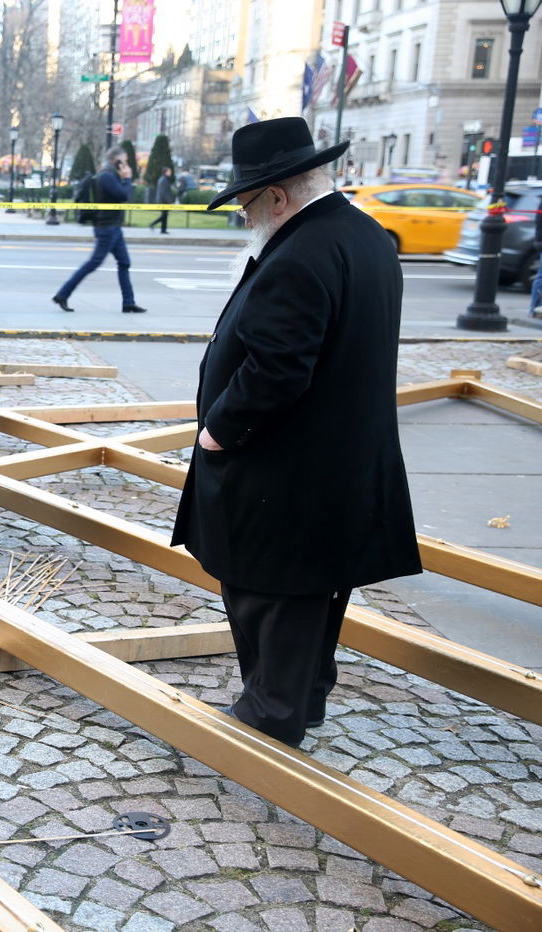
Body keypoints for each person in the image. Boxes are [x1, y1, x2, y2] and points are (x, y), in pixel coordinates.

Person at [170, 117, 421, 748]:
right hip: (338, 463)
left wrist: (218, 431)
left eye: (247, 204)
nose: (245, 217)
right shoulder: (362, 233)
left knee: (270, 596)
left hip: (285, 473)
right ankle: (302, 700)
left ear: (278, 196)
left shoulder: (302, 253)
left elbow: (276, 371)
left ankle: (269, 721)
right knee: (312, 596)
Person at [51, 147, 146, 315]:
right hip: (106, 227)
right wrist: (127, 178)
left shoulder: (110, 175)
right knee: (93, 263)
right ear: (116, 160)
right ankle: (62, 294)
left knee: (124, 263)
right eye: (124, 160)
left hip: (113, 226)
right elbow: (123, 196)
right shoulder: (107, 176)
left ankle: (128, 302)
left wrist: (124, 179)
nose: (126, 164)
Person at [149, 166, 176, 235]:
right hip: (163, 201)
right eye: (169, 171)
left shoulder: (163, 179)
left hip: (163, 200)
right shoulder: (164, 180)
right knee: (164, 215)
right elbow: (164, 192)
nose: (170, 173)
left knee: (165, 215)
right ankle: (153, 224)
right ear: (166, 172)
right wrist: (169, 201)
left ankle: (163, 230)